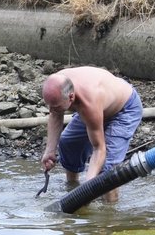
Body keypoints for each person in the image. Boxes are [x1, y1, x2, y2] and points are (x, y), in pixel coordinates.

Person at [40, 66, 143, 202]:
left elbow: (99, 149)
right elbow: (55, 114)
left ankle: (110, 213)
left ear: (71, 97)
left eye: (56, 106)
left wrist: (88, 186)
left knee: (107, 169)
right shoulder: (57, 84)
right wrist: (50, 150)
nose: (52, 110)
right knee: (69, 143)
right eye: (50, 105)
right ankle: (72, 188)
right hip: (97, 107)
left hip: (124, 110)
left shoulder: (88, 102)